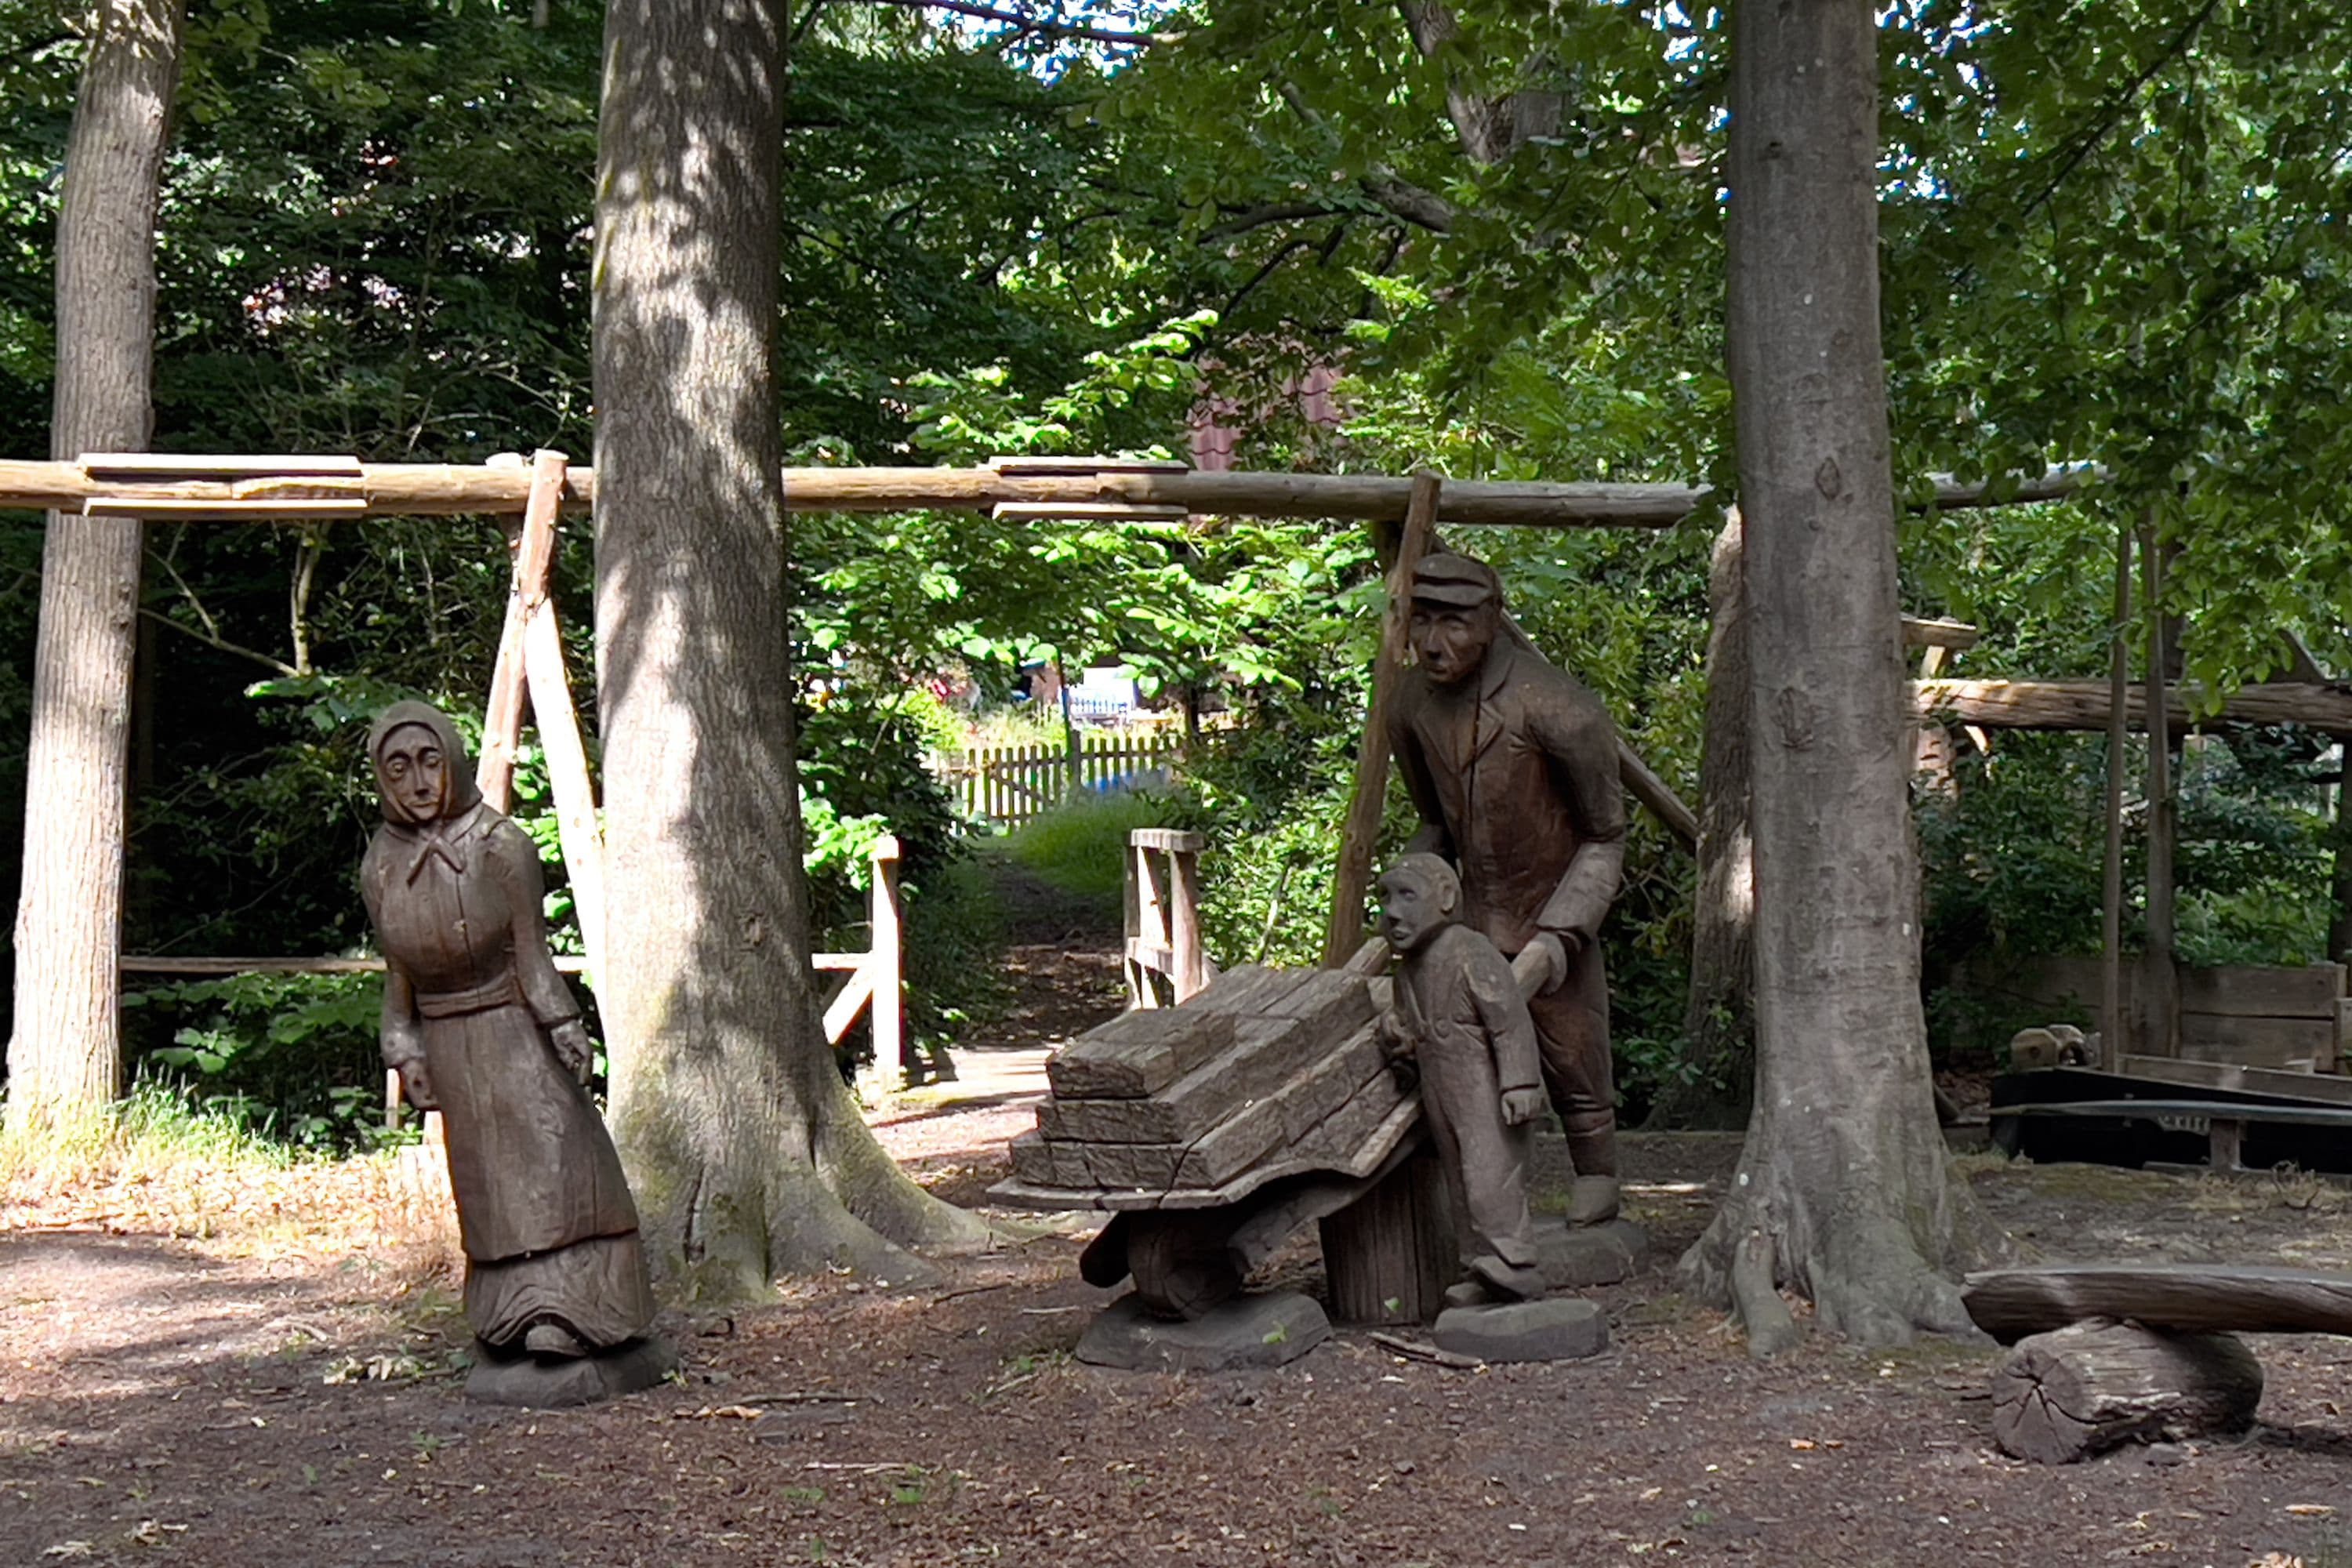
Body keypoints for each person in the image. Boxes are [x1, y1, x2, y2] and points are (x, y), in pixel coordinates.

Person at [361, 701, 656, 1363]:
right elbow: (396, 974)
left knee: (560, 1164)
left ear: (454, 763)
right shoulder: (381, 863)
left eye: (430, 762)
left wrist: (562, 1022)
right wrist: (403, 1047)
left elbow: (532, 953)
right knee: (488, 1186)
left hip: (514, 1028)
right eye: (399, 767)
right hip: (449, 1042)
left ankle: (579, 1310)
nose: (417, 782)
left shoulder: (501, 846)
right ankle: (505, 1320)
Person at [1386, 550, 1628, 1225]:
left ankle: (1596, 1167)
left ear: (1492, 622)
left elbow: (1606, 835)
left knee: (1571, 1048)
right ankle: (1489, 1205)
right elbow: (1433, 820)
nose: (1434, 644)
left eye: (1455, 623)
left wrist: (1559, 938)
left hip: (1546, 913)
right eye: (1422, 621)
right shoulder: (1409, 704)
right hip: (1464, 926)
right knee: (1455, 1059)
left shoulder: (1557, 707)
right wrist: (1410, 897)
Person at [1379, 853, 1546, 1305]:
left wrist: (1520, 1084)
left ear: (1447, 898)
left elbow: (1509, 1020)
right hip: (1443, 1093)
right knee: (1459, 1180)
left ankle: (1514, 1264)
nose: (1391, 911)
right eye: (1385, 898)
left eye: (1407, 896)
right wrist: (1398, 1035)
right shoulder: (1408, 972)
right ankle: (1479, 1267)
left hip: (1485, 1093)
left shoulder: (1470, 951)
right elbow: (1409, 1029)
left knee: (1489, 1177)